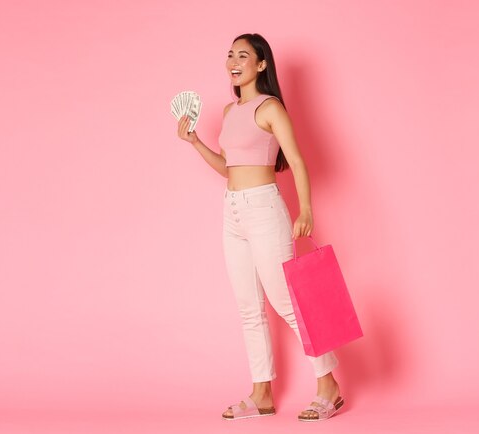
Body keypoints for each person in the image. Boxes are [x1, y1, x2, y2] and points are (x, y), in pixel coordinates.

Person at [176, 33, 344, 422]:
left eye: (243, 55)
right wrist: (195, 142)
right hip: (232, 210)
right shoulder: (231, 110)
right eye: (230, 55)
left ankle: (328, 385)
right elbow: (229, 169)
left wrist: (306, 210)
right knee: (249, 309)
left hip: (265, 209)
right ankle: (261, 395)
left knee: (289, 302)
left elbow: (298, 161)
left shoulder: (270, 108)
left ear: (262, 65)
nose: (233, 61)